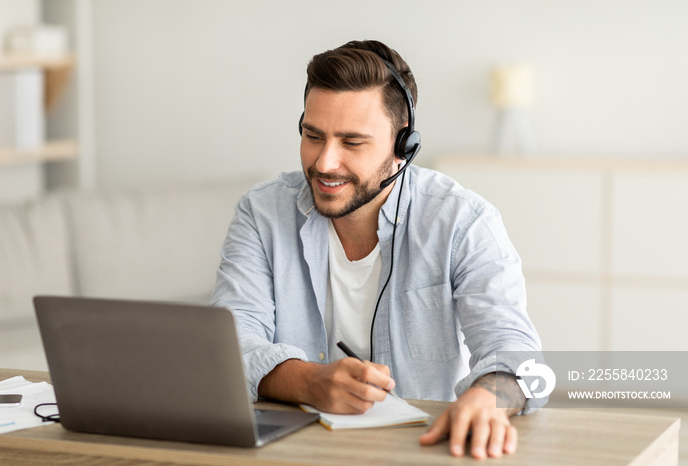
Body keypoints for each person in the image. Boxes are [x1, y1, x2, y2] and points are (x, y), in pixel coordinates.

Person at [210, 40, 542, 459]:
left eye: (351, 143)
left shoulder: (462, 221)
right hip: (290, 451)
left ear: (403, 149)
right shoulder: (262, 212)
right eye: (313, 136)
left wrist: (486, 397)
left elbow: (516, 353)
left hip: (420, 451)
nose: (325, 162)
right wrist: (309, 381)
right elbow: (230, 344)